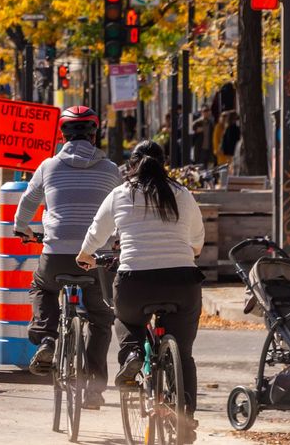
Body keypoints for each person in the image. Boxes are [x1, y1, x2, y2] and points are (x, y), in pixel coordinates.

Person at [77, 141, 205, 441]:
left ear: (131, 165)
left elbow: (97, 232)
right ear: (164, 164)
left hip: (135, 282)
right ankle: (185, 418)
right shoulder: (182, 194)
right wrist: (188, 251)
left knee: (125, 320)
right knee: (184, 354)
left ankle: (132, 353)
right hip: (183, 282)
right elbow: (197, 240)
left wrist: (84, 256)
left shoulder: (121, 193)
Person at [14, 105, 121, 407]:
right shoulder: (112, 170)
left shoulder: (48, 167)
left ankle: (47, 338)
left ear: (62, 134)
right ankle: (95, 389)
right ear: (94, 133)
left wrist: (23, 230)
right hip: (95, 258)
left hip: (57, 253)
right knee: (101, 319)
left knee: (42, 286)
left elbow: (26, 205)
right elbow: (122, 210)